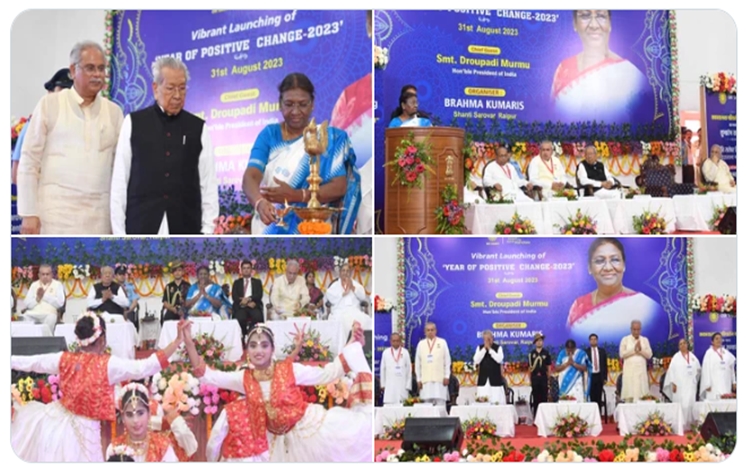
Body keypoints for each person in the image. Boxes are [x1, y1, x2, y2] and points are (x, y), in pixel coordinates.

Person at [184, 322, 372, 462]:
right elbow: (207, 376)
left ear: (273, 349)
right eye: (253, 345)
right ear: (246, 350)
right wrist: (189, 343)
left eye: (264, 345)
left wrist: (352, 346)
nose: (259, 350)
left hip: (307, 432)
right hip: (273, 443)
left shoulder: (290, 370)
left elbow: (328, 374)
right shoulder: (244, 378)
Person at [10, 312, 183, 461]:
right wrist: (176, 341)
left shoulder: (64, 358)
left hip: (54, 425)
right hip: (84, 432)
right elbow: (144, 367)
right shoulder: (108, 364)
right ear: (102, 340)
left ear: (80, 340)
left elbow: (32, 362)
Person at [18, 40, 124, 234]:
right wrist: (29, 213)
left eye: (101, 68)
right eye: (90, 68)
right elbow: (29, 160)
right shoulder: (50, 104)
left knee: (98, 265)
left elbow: (120, 169)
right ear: (73, 70)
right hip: (55, 216)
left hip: (99, 217)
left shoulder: (114, 112)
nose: (97, 74)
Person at [243, 73, 361, 234]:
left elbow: (339, 187)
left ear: (312, 104)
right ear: (280, 105)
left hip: (315, 227)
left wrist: (297, 195)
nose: (295, 111)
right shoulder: (269, 135)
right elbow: (251, 176)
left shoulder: (329, 138)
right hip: (271, 225)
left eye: (303, 104)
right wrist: (259, 203)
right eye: (289, 104)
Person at [110, 57, 218, 234]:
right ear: (155, 88)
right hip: (140, 227)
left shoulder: (198, 129)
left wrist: (207, 232)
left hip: (186, 229)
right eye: (170, 88)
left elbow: (208, 186)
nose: (177, 95)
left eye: (182, 88)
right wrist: (120, 235)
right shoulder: (133, 123)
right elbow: (120, 183)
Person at [551, 10, 650, 123]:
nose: (594, 25)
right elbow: (552, 119)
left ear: (609, 24)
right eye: (585, 16)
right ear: (575, 24)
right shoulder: (564, 69)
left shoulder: (630, 74)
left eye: (601, 16)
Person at [568, 238, 664, 344]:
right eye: (600, 261)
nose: (608, 267)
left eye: (615, 260)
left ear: (624, 265)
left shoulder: (645, 306)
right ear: (590, 268)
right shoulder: (579, 306)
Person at [12, 68, 74, 185]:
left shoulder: (75, 127)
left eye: (70, 91)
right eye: (62, 90)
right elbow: (17, 172)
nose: (66, 95)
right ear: (50, 93)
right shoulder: (34, 124)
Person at [109, 383, 182, 462]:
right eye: (129, 415)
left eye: (140, 413)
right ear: (123, 417)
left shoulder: (162, 446)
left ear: (149, 414)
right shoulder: (114, 448)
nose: (135, 420)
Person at [664, 338, 701, 425]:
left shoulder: (692, 357)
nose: (683, 345)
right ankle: (680, 424)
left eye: (684, 343)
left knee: (691, 404)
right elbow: (671, 371)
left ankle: (690, 424)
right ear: (678, 347)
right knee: (682, 404)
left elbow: (698, 369)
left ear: (687, 345)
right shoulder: (676, 357)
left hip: (690, 385)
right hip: (679, 385)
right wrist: (673, 383)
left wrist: (695, 380)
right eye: (680, 344)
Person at [21, 264, 65, 334]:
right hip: (34, 313)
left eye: (47, 274)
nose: (45, 276)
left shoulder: (58, 284)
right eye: (43, 274)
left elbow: (60, 303)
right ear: (39, 275)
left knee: (51, 319)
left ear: (51, 275)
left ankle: (46, 342)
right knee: (24, 317)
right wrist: (37, 299)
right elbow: (27, 303)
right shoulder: (34, 285)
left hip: (49, 314)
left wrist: (44, 296)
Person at [324, 263, 371, 329]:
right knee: (343, 321)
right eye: (343, 271)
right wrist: (342, 294)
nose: (345, 273)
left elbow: (362, 296)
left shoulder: (355, 284)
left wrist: (353, 288)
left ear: (350, 273)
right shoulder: (334, 285)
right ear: (340, 273)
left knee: (365, 320)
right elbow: (329, 296)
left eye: (347, 271)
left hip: (354, 310)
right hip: (339, 311)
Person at [414, 322, 451, 405]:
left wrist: (447, 376)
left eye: (432, 330)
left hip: (439, 380)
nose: (430, 332)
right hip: (425, 381)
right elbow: (417, 363)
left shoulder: (442, 342)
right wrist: (419, 379)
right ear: (425, 332)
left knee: (440, 403)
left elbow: (447, 361)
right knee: (426, 405)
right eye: (428, 330)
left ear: (435, 331)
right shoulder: (421, 344)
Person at [619, 320, 652, 402]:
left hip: (641, 373)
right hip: (629, 374)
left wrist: (641, 350)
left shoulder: (644, 340)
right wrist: (634, 349)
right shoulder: (625, 339)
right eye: (634, 329)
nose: (636, 331)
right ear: (631, 329)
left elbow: (649, 355)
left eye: (638, 329)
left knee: (642, 397)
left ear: (640, 329)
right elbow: (622, 354)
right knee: (629, 398)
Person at [231, 260, 264, 337]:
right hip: (241, 306)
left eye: (248, 268)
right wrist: (245, 302)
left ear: (251, 270)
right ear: (241, 270)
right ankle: (244, 334)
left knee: (257, 317)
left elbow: (259, 295)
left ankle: (251, 333)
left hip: (254, 306)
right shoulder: (237, 282)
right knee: (240, 317)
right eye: (244, 268)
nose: (246, 270)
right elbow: (234, 296)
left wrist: (249, 299)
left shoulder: (257, 282)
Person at [699, 333, 736, 400]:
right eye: (716, 339)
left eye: (720, 339)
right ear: (712, 341)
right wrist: (707, 384)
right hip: (713, 385)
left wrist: (734, 382)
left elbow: (732, 368)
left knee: (726, 404)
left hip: (726, 383)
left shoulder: (726, 353)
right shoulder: (709, 353)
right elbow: (705, 370)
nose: (719, 340)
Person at [473, 330, 505, 404]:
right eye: (485, 339)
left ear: (492, 338)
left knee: (496, 401)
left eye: (489, 339)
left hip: (495, 381)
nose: (487, 341)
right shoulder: (480, 348)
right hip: (483, 381)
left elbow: (499, 359)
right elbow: (476, 360)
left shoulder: (498, 348)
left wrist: (490, 350)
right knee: (483, 402)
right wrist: (484, 349)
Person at [380, 333, 412, 405]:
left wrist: (408, 385)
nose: (395, 342)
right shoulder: (386, 353)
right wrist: (383, 384)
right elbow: (383, 369)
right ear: (390, 341)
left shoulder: (405, 352)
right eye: (393, 341)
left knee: (403, 406)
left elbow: (409, 370)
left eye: (397, 341)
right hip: (390, 385)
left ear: (400, 341)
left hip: (402, 385)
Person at [529, 333, 552, 416]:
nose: (539, 342)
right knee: (536, 397)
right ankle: (536, 416)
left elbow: (549, 367)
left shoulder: (546, 353)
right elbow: (530, 368)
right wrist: (530, 380)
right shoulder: (532, 354)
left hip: (543, 378)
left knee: (544, 397)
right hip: (535, 378)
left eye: (541, 341)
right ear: (535, 342)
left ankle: (544, 416)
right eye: (537, 341)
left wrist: (549, 378)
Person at [585, 333, 608, 410]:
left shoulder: (602, 351)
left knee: (599, 396)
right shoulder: (586, 352)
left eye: (595, 339)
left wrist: (605, 378)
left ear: (597, 340)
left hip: (599, 376)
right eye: (591, 339)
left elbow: (605, 365)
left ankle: (598, 414)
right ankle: (593, 414)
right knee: (592, 396)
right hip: (590, 377)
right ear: (589, 341)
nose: (593, 341)